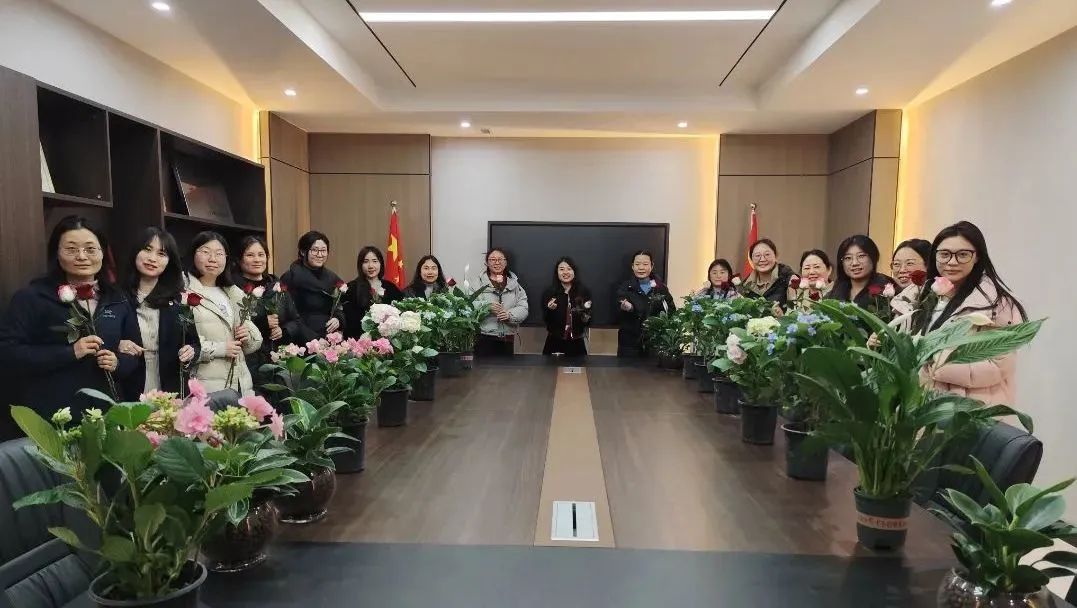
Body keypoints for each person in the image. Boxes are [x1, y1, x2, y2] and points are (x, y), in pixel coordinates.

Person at [0, 216, 142, 419]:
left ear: (103, 253)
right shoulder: (32, 298)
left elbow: (135, 354)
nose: (82, 256)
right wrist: (70, 353)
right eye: (71, 249)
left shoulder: (117, 299)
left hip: (106, 414)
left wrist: (117, 363)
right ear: (56, 253)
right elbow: (8, 353)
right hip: (53, 417)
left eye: (90, 249)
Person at [912, 221, 1027, 404]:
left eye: (963, 255)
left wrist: (936, 365)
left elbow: (999, 365)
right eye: (944, 254)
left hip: (969, 408)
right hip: (920, 403)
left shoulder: (997, 304)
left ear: (977, 257)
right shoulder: (921, 295)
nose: (952, 262)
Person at [116, 227, 199, 396]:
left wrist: (191, 351)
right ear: (135, 252)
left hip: (169, 386)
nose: (152, 258)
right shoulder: (116, 297)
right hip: (128, 384)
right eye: (147, 250)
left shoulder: (178, 301)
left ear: (169, 261)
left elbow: (194, 343)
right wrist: (117, 345)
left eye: (161, 254)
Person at [184, 232, 263, 396]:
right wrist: (221, 349)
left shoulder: (233, 292)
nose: (213, 259)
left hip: (240, 383)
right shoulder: (183, 293)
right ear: (193, 254)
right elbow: (181, 345)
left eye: (219, 254)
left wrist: (247, 336)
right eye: (205, 252)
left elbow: (254, 344)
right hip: (206, 384)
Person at [234, 235, 302, 384]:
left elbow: (296, 321)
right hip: (247, 360)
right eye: (250, 255)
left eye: (261, 255)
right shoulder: (234, 289)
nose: (257, 260)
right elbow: (233, 324)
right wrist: (263, 322)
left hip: (277, 359)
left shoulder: (277, 286)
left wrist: (284, 330)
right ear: (239, 259)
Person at [279, 231, 345, 342]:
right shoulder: (290, 277)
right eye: (315, 250)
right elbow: (288, 315)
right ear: (303, 251)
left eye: (323, 250)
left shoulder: (332, 278)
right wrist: (312, 339)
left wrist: (338, 319)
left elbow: (339, 307)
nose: (320, 255)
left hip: (328, 337)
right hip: (302, 337)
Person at [615, 249, 676, 357]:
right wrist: (628, 308)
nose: (641, 267)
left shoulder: (660, 288)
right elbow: (618, 307)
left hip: (654, 342)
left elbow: (670, 311)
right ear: (632, 266)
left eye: (645, 264)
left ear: (652, 266)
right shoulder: (625, 287)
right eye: (637, 264)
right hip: (629, 343)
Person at [474, 248, 529, 356]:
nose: (497, 262)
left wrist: (510, 315)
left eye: (500, 259)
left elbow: (523, 307)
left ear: (506, 262)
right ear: (486, 263)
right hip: (484, 337)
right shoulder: (477, 284)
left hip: (507, 338)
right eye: (493, 259)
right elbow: (468, 306)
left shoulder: (515, 285)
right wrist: (487, 307)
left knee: (506, 367)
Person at [342, 246, 404, 338]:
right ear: (360, 265)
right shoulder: (351, 288)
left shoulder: (391, 287)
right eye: (366, 262)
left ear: (381, 263)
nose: (370, 266)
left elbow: (400, 313)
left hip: (388, 339)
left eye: (375, 261)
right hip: (360, 340)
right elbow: (348, 319)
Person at [541, 257, 592, 357]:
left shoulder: (583, 292)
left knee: (580, 366)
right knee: (551, 367)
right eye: (561, 269)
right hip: (555, 341)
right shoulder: (550, 292)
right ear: (557, 272)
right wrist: (549, 309)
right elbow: (545, 319)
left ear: (574, 271)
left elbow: (588, 317)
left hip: (577, 341)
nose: (565, 272)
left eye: (569, 269)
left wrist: (586, 315)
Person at [830, 235, 896, 306]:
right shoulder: (838, 287)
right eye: (848, 258)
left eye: (861, 256)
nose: (854, 263)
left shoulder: (886, 288)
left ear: (873, 257)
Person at [739, 239, 794, 306]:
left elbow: (795, 308)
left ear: (776, 256)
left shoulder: (788, 278)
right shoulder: (746, 285)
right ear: (751, 260)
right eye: (757, 255)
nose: (762, 259)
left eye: (767, 254)